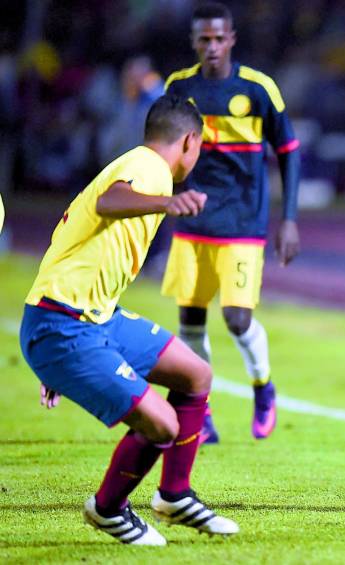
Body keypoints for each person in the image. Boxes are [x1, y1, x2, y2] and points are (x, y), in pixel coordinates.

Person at [19, 95, 239, 545]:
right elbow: (108, 201)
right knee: (162, 424)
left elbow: (74, 244)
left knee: (195, 373)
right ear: (189, 142)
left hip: (89, 319)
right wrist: (168, 200)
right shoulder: (150, 168)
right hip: (64, 325)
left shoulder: (137, 165)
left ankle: (174, 495)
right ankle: (107, 509)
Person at [161, 1, 301, 444]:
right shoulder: (178, 88)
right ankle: (200, 413)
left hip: (243, 222)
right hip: (192, 221)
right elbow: (162, 150)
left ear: (232, 39)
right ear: (194, 42)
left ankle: (263, 388)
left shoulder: (258, 89)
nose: (213, 46)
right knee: (190, 324)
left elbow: (289, 150)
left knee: (238, 319)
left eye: (220, 38)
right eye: (204, 39)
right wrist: (167, 196)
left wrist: (290, 218)